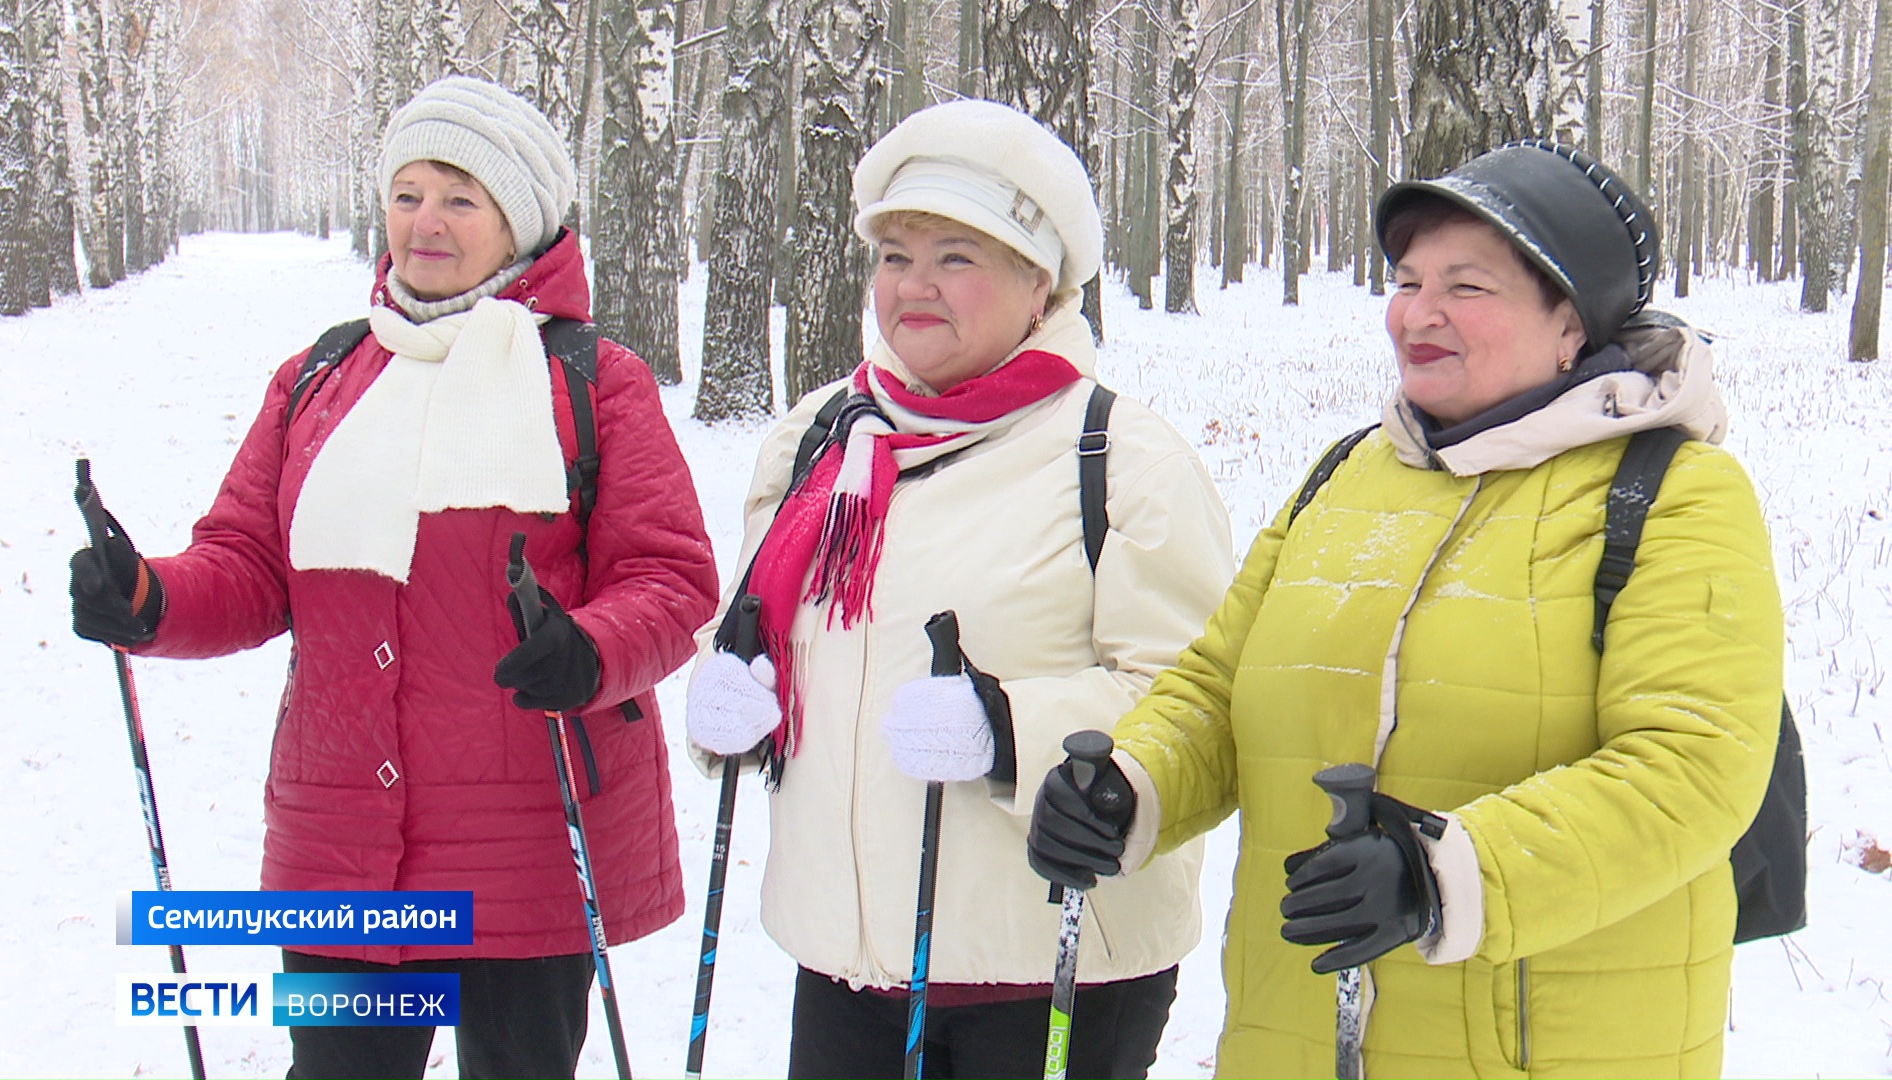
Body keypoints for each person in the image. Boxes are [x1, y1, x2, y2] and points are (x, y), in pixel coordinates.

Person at [1028, 141, 1786, 1079]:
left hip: (1551, 1046)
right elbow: (1220, 693)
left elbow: (1691, 768)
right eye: (1407, 278)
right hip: (1295, 1037)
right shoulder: (1346, 477)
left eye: (1467, 287)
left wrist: (1445, 874)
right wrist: (1132, 787)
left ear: (1569, 324)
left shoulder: (1673, 493)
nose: (1417, 314)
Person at [68, 75, 720, 1080]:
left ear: (523, 221)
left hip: (528, 842)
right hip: (341, 837)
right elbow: (248, 564)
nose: (426, 220)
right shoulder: (322, 377)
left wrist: (589, 649)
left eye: (461, 197)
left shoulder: (593, 379)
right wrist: (147, 598)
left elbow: (669, 579)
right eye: (408, 192)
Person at [682, 97, 1234, 1080]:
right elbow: (773, 637)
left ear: (1040, 285)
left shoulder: (1120, 458)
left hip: (1049, 973)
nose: (915, 286)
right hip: (847, 962)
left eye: (956, 257)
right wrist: (732, 702)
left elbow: (1197, 698)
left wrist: (1010, 729)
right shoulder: (822, 439)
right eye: (895, 256)